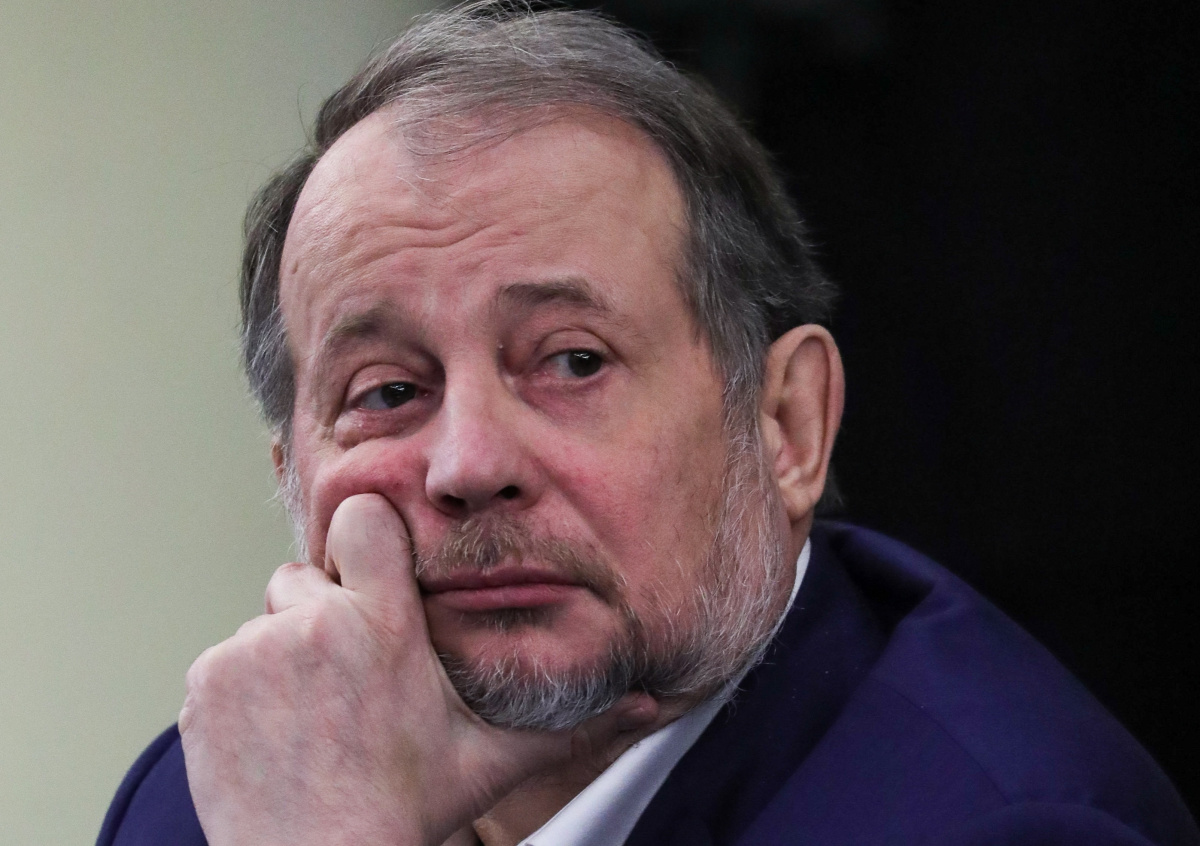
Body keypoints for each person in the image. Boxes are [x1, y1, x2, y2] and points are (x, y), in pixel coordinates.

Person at [97, 3, 1198, 845]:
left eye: (573, 362)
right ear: (295, 478)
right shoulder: (223, 802)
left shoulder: (1005, 823)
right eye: (387, 392)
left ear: (786, 426)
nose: (469, 464)